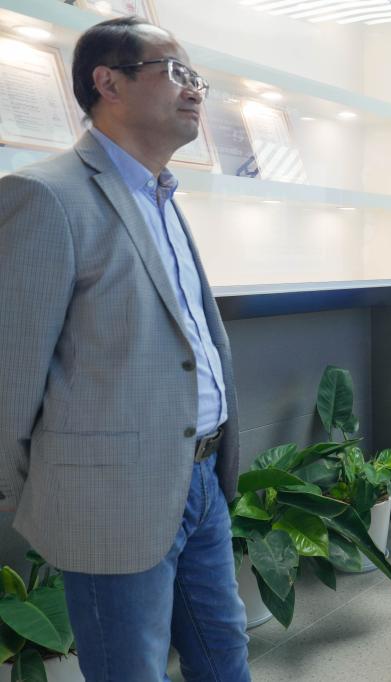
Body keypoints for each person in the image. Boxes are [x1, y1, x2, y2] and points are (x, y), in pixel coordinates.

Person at [0, 17, 249, 679]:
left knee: (224, 654)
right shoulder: (44, 195)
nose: (194, 89)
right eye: (175, 71)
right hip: (111, 494)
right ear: (108, 83)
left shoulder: (162, 195)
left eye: (197, 77)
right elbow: (10, 372)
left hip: (201, 478)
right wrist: (34, 488)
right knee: (128, 669)